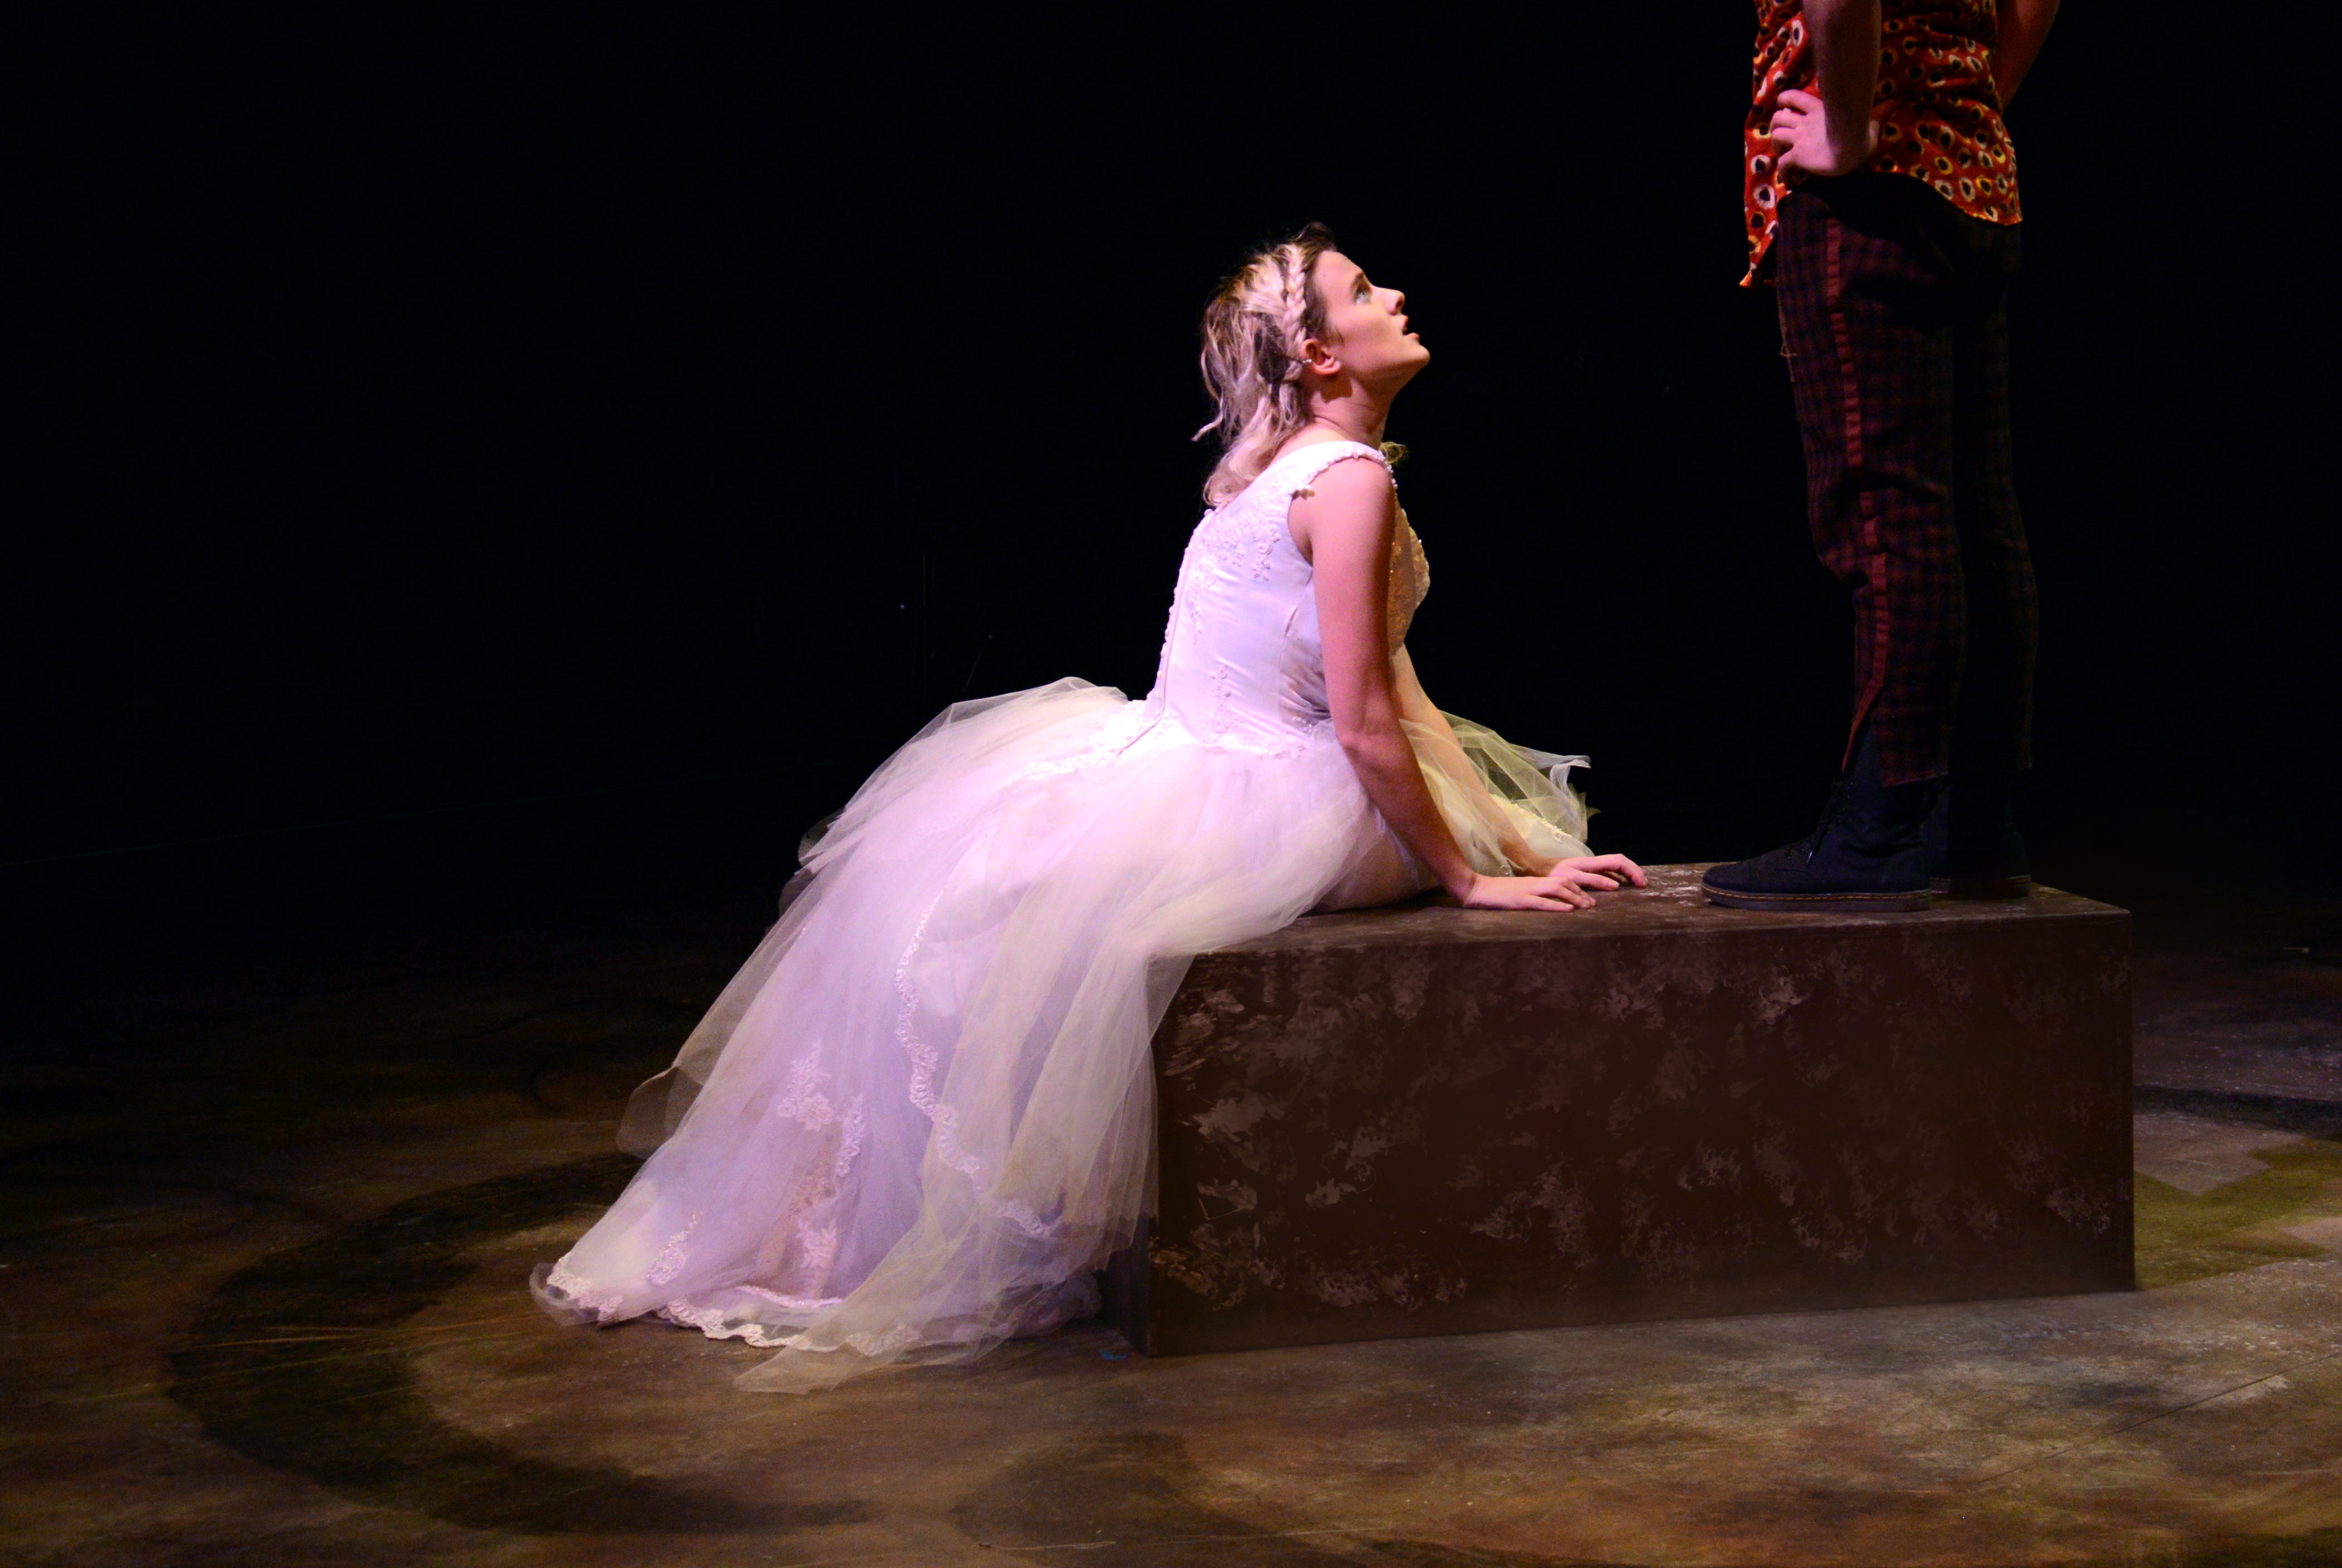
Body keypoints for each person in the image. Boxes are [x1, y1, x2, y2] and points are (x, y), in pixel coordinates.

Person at [533, 228, 1644, 1389]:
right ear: (1319, 353)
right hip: (1270, 785)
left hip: (1181, 755)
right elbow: (1366, 724)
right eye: (1365, 289)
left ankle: (833, 1218)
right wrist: (1467, 874)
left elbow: (1391, 692)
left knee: (986, 905)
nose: (1397, 294)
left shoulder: (1279, 474)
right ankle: (905, 1226)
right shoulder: (1349, 479)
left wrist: (1506, 835)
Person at [1589, 0, 2078, 911]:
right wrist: (1973, 98)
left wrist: (1856, 131)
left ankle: (1881, 825)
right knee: (1976, 513)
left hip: (1867, 209)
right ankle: (1979, 817)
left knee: (1886, 517)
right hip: (1970, 184)